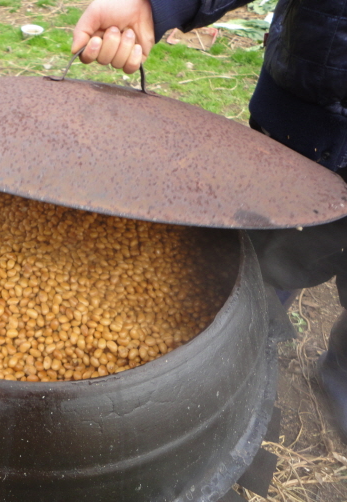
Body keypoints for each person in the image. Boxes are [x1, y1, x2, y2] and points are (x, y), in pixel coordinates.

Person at [71, 0, 347, 438]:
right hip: (304, 120)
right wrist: (156, 6)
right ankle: (238, 364)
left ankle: (340, 382)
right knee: (259, 270)